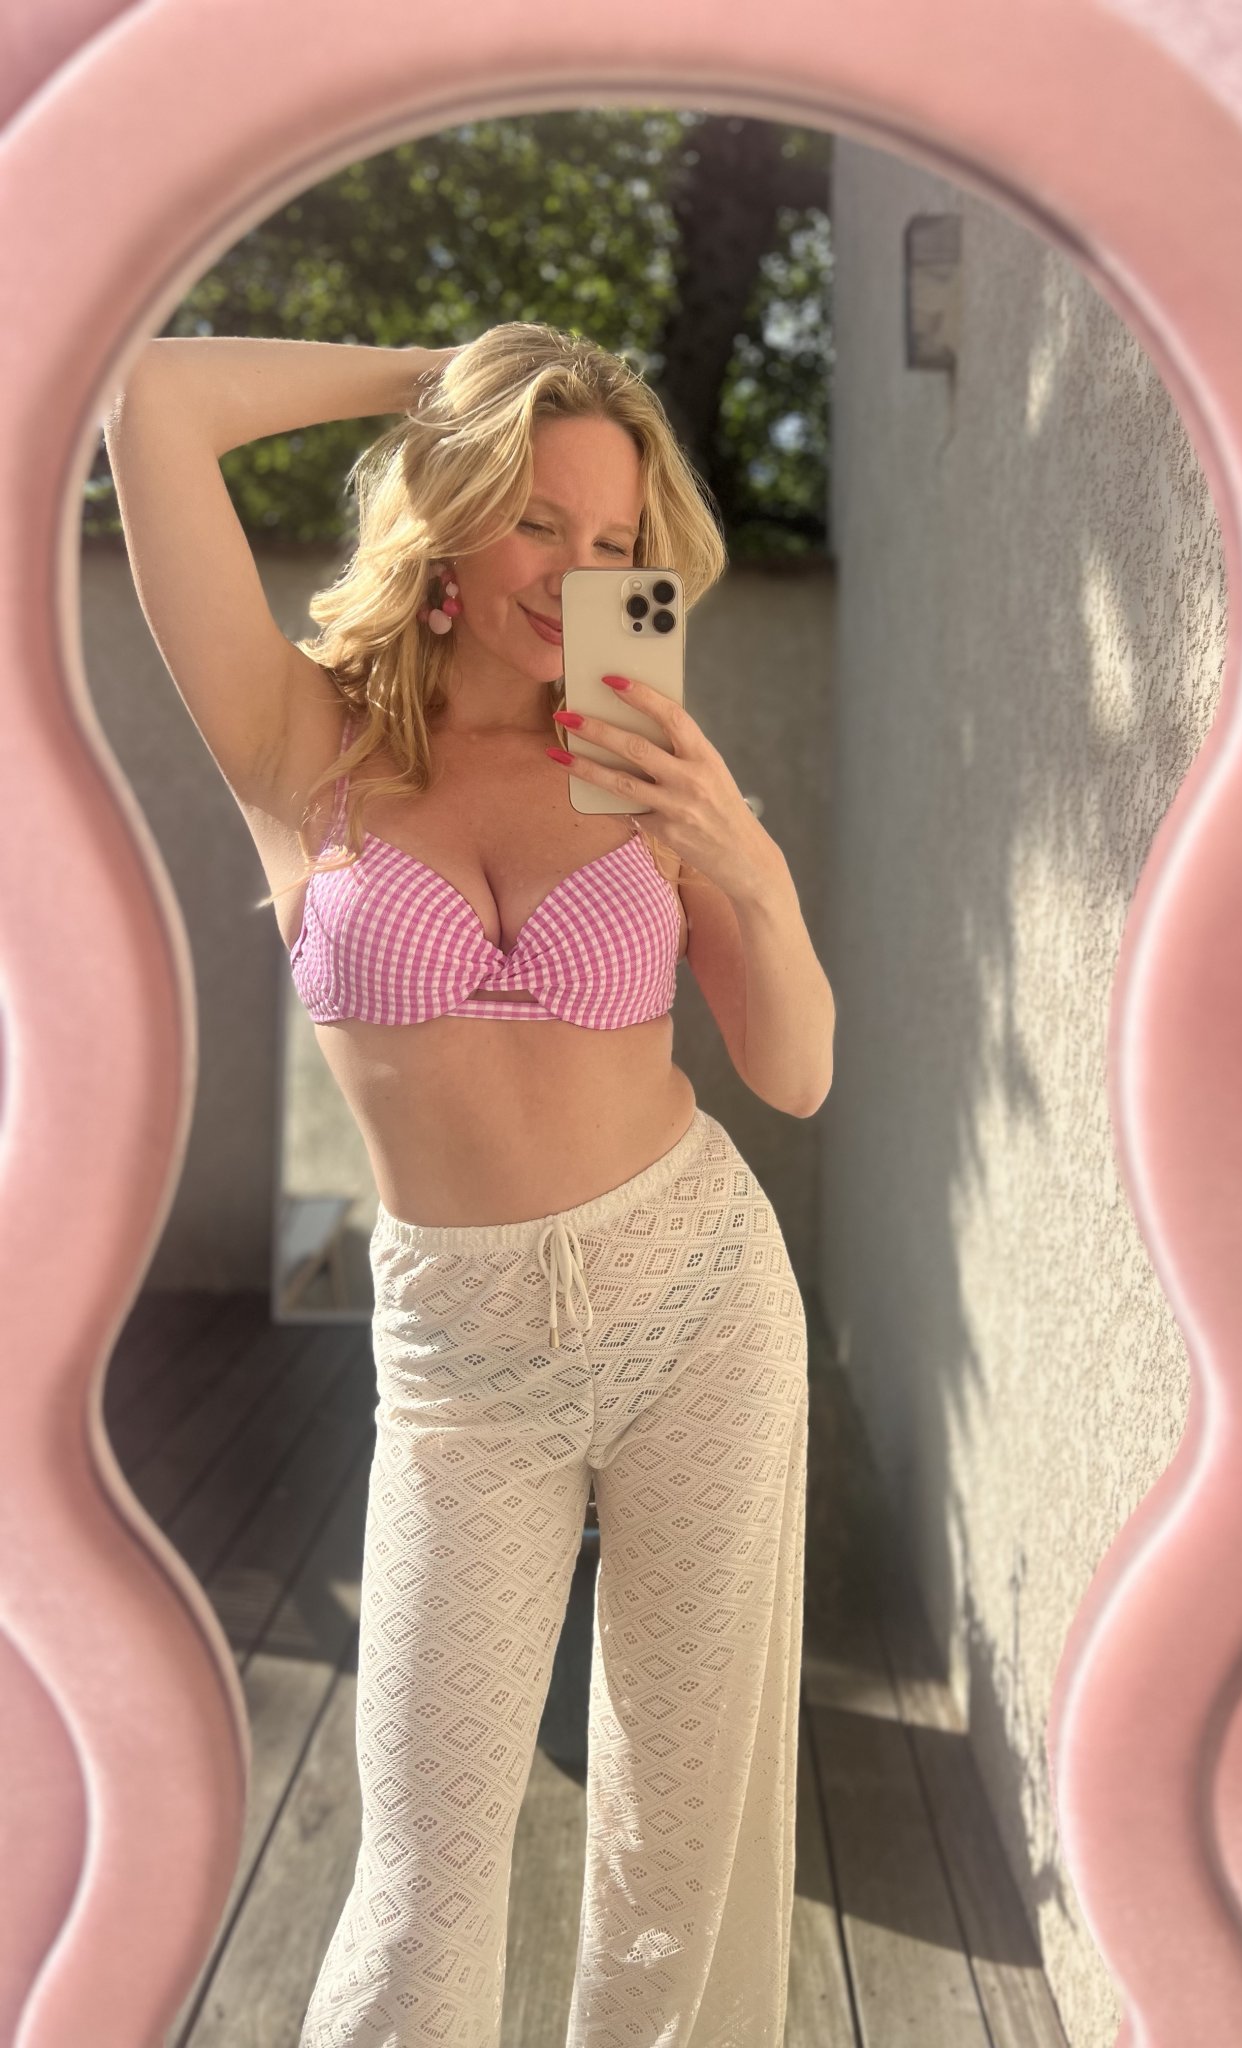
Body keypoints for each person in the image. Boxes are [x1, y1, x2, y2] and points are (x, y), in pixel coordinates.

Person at [103, 319, 836, 2047]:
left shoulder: (645, 767)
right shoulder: (299, 742)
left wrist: (746, 861)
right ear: (452, 521)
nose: (578, 571)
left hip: (698, 1301)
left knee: (670, 1859)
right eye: (536, 519)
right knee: (424, 1867)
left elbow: (795, 1070)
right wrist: (448, 372)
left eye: (613, 541)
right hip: (462, 1363)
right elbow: (154, 401)